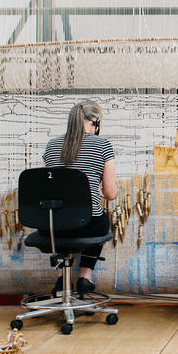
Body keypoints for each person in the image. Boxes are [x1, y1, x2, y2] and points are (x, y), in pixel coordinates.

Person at [42, 100, 117, 296]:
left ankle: (61, 279)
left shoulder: (51, 145)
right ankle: (85, 277)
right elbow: (111, 194)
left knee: (61, 218)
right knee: (101, 218)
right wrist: (97, 189)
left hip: (51, 225)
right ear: (97, 122)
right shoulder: (103, 145)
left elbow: (44, 188)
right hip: (88, 224)